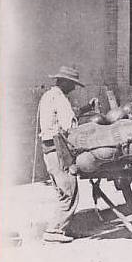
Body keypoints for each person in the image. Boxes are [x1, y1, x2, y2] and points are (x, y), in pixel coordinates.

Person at [38, 66, 95, 243]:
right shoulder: (60, 99)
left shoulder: (48, 96)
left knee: (63, 191)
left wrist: (86, 109)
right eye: (73, 85)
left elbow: (63, 116)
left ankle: (63, 228)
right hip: (58, 150)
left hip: (49, 150)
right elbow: (69, 126)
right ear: (65, 82)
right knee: (69, 191)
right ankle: (54, 230)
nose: (74, 88)